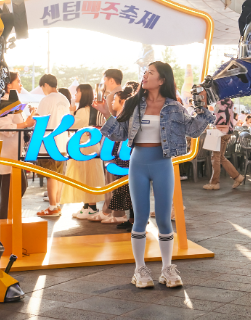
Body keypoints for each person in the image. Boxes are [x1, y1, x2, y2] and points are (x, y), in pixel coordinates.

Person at [101, 61, 213, 289]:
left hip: (163, 163)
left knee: (163, 219)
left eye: (150, 72)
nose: (145, 75)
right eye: (145, 72)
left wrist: (204, 110)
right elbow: (119, 134)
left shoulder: (174, 106)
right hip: (138, 162)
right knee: (140, 218)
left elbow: (192, 130)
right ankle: (139, 269)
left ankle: (167, 269)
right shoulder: (133, 104)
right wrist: (108, 114)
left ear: (162, 80)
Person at [26, 74, 71, 217]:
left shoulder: (46, 100)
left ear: (45, 85)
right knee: (57, 175)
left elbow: (39, 120)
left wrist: (33, 113)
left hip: (48, 144)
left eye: (42, 88)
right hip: (62, 143)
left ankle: (52, 207)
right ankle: (56, 205)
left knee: (50, 175)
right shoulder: (64, 99)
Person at [0, 72, 32, 222]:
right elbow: (4, 128)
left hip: (13, 154)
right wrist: (26, 123)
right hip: (8, 155)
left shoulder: (11, 101)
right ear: (9, 85)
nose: (21, 84)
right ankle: (1, 220)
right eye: (18, 81)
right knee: (9, 191)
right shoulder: (5, 102)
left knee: (18, 187)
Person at [94, 84, 137, 229]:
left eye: (115, 100)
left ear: (123, 102)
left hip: (128, 157)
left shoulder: (128, 116)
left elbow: (119, 133)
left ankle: (134, 220)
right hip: (123, 157)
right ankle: (131, 219)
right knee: (126, 188)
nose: (112, 103)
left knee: (131, 189)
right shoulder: (123, 116)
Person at [62, 84, 105, 218]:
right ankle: (88, 206)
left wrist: (71, 111)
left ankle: (90, 207)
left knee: (86, 176)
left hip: (84, 147)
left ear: (84, 93)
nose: (76, 94)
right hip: (90, 146)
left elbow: (72, 125)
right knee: (89, 176)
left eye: (78, 92)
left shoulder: (82, 111)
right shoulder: (93, 109)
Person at [204, 97, 244, 190]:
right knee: (221, 157)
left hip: (219, 131)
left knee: (216, 157)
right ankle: (237, 177)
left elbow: (217, 118)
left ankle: (214, 183)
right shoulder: (230, 102)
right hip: (228, 131)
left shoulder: (219, 103)